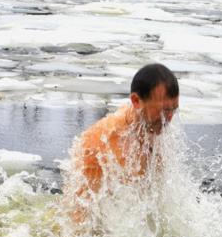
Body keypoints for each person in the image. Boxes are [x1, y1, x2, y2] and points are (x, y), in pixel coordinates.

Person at [66, 63, 180, 204]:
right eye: (165, 110)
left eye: (174, 110)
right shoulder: (101, 142)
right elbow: (77, 208)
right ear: (136, 101)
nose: (168, 119)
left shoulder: (152, 128)